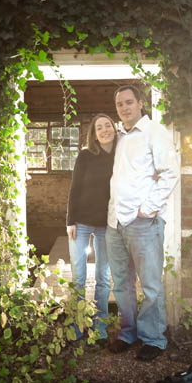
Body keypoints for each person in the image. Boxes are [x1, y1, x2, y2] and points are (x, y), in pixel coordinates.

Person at [106, 84, 179, 361]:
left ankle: (153, 338)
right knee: (122, 284)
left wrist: (147, 209)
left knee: (150, 285)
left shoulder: (154, 133)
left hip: (142, 223)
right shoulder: (120, 136)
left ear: (140, 104)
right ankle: (128, 332)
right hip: (115, 223)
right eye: (119, 105)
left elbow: (170, 173)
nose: (124, 108)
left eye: (128, 102)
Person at [65, 113, 117, 343]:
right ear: (94, 134)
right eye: (99, 127)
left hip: (107, 224)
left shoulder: (121, 155)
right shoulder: (85, 156)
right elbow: (75, 188)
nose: (105, 130)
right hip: (82, 223)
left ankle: (100, 328)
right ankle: (77, 327)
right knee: (79, 277)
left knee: (103, 278)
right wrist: (69, 220)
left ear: (114, 129)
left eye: (108, 125)